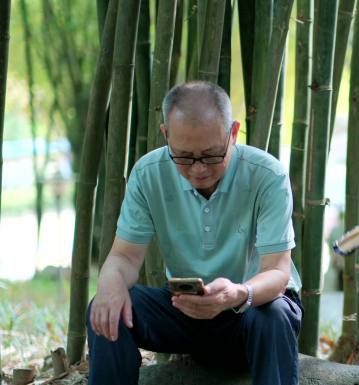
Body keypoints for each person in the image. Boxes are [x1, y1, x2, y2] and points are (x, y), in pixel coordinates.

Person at [86, 81, 302, 385]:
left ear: (234, 132)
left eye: (212, 155)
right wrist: (109, 284)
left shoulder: (267, 175)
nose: (198, 169)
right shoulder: (148, 174)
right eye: (184, 157)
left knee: (274, 314)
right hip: (185, 309)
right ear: (165, 135)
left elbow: (277, 272)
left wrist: (238, 294)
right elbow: (123, 257)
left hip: (251, 309)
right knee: (106, 307)